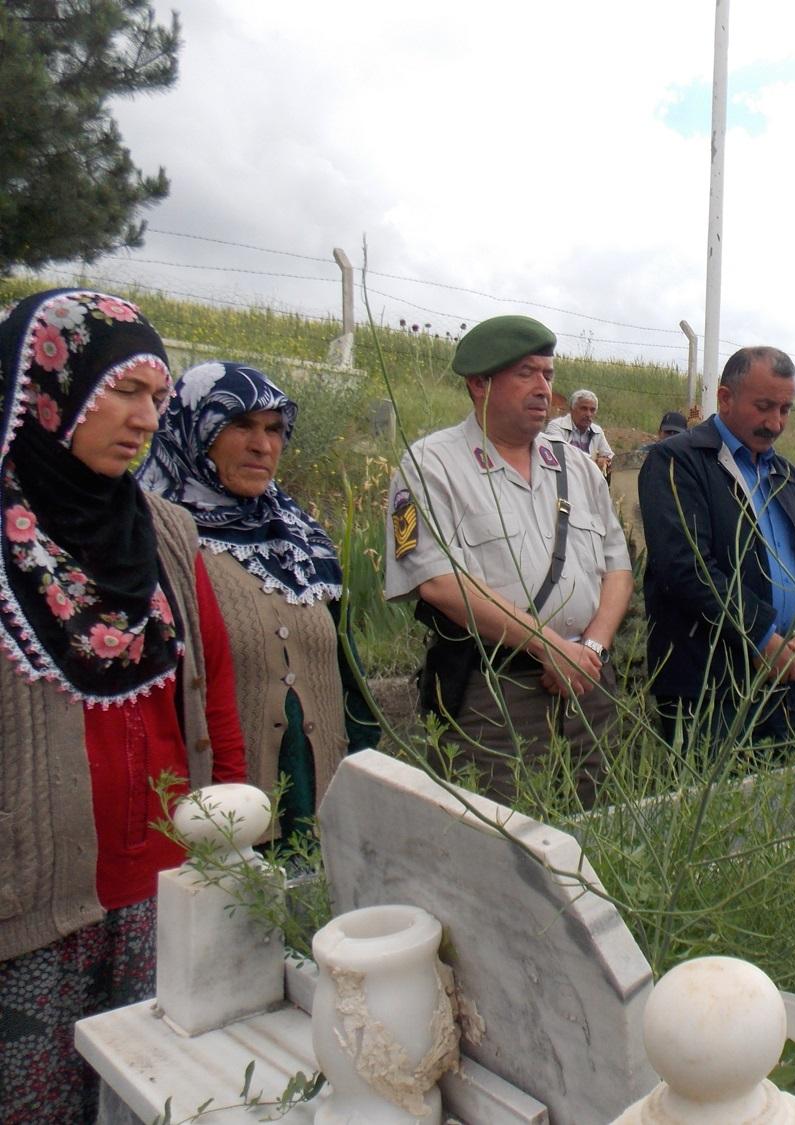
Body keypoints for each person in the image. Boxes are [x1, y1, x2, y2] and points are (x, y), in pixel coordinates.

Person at [0, 289, 246, 1119]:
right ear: (48, 385)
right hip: (29, 907)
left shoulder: (166, 531)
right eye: (124, 389)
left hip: (163, 885)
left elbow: (214, 695)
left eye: (157, 396)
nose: (146, 417)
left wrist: (231, 834)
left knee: (157, 1096)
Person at [385, 315, 631, 806]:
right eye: (525, 373)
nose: (543, 388)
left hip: (587, 687)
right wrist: (549, 649)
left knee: (597, 834)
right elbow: (438, 581)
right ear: (480, 384)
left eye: (548, 374)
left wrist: (592, 653)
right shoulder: (432, 465)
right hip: (494, 695)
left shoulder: (577, 467)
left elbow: (617, 566)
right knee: (498, 846)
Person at [138, 361, 379, 839]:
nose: (262, 445)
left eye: (274, 429)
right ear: (192, 428)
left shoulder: (301, 539)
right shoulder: (153, 538)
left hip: (322, 812)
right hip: (215, 824)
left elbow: (349, 682)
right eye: (240, 425)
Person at [640, 346, 795, 745]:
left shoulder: (788, 476)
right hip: (710, 690)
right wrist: (761, 636)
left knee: (781, 802)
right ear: (725, 398)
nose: (775, 423)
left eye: (785, 409)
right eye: (764, 406)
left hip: (787, 684)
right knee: (708, 805)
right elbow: (686, 566)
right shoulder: (677, 462)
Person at [545, 387, 614, 477]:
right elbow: (560, 455)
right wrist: (593, 462)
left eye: (592, 410)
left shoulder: (597, 431)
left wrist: (605, 460)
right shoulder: (556, 426)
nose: (588, 414)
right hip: (562, 478)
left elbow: (609, 456)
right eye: (583, 409)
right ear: (571, 409)